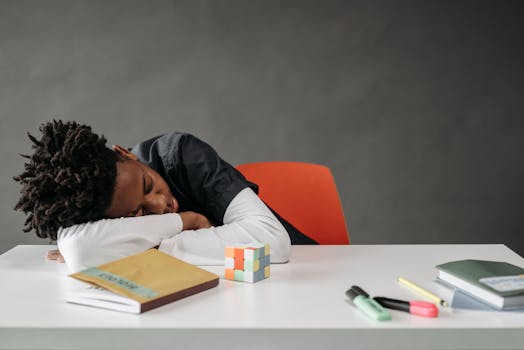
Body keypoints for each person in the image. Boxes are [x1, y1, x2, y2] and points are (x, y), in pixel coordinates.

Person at [14, 120, 316, 272]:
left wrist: (139, 248)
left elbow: (272, 243)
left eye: (147, 185)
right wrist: (186, 221)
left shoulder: (181, 154)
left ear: (125, 154)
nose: (161, 205)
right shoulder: (97, 204)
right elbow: (80, 248)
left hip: (312, 274)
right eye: (137, 215)